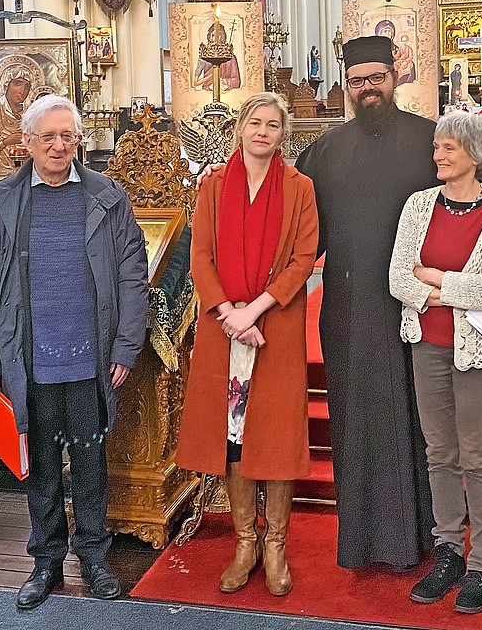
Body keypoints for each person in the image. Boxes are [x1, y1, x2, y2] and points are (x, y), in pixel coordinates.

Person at [294, 35, 482, 571]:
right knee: (362, 424)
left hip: (423, 314)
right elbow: (298, 227)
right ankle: (364, 542)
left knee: (430, 433)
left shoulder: (431, 140)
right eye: (357, 81)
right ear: (346, 86)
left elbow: (480, 196)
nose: (367, 88)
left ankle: (436, 543)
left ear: (395, 76)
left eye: (376, 77)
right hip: (352, 313)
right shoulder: (325, 151)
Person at [0, 94, 148, 608]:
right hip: (28, 361)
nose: (59, 145)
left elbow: (133, 277)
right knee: (41, 466)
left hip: (90, 361)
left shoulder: (107, 196)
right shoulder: (3, 201)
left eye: (68, 136)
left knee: (90, 465)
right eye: (48, 137)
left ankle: (93, 556)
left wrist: (125, 347)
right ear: (27, 143)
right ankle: (46, 561)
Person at [175, 93, 319, 597]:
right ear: (240, 128)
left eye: (273, 125)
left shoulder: (300, 188)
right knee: (232, 436)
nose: (262, 131)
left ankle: (276, 544)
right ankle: (245, 543)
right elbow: (200, 255)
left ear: (284, 133)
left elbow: (303, 259)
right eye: (254, 122)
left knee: (275, 434)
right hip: (224, 328)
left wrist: (253, 311)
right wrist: (227, 314)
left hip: (273, 324)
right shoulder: (212, 186)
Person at [389, 111, 482, 615]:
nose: (438, 155)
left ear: (476, 154)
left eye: (448, 148)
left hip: (479, 349)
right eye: (437, 147)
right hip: (427, 343)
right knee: (439, 451)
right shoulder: (418, 205)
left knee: (477, 454)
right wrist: (449, 290)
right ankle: (449, 552)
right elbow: (399, 278)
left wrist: (438, 283)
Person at [0, 60, 35, 172]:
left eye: (27, 86)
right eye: (17, 84)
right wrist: (6, 142)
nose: (22, 91)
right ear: (6, 84)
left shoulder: (32, 117)